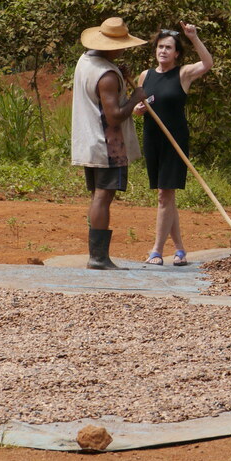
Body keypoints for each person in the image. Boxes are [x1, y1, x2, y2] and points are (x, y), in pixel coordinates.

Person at [71, 16, 148, 270]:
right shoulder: (106, 76)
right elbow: (114, 116)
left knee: (98, 196)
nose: (124, 49)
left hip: (90, 141)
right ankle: (98, 258)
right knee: (103, 196)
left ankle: (98, 256)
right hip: (107, 145)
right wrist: (136, 96)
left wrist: (119, 73)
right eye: (121, 45)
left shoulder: (86, 61)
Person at [133, 22, 213, 266]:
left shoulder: (183, 73)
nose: (163, 51)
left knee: (164, 194)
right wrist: (137, 109)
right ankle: (180, 250)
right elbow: (138, 106)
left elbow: (208, 64)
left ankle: (156, 250)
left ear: (177, 53)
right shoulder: (146, 75)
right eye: (160, 47)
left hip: (175, 140)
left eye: (168, 48)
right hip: (152, 138)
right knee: (165, 195)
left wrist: (194, 37)